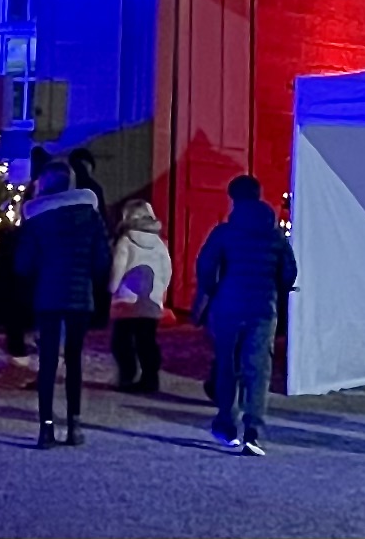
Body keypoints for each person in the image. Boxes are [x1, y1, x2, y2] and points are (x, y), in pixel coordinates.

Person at [190, 174, 295, 455]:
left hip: (228, 305)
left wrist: (212, 291)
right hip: (263, 308)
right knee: (258, 369)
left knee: (227, 365)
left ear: (233, 198)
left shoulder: (224, 232)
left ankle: (226, 424)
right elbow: (289, 271)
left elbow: (205, 266)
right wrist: (276, 290)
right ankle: (253, 431)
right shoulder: (275, 235)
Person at [12, 166, 109, 448]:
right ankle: (74, 425)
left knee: (48, 362)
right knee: (74, 360)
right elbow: (102, 260)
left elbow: (23, 264)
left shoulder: (37, 219)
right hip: (80, 296)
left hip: (48, 295)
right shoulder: (90, 216)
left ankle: (46, 428)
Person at [106, 197, 172, 394]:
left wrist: (112, 288)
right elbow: (167, 270)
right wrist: (160, 291)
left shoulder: (125, 241)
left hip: (126, 301)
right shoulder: (159, 243)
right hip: (150, 301)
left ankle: (127, 375)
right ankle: (150, 378)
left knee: (122, 341)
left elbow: (118, 267)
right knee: (147, 341)